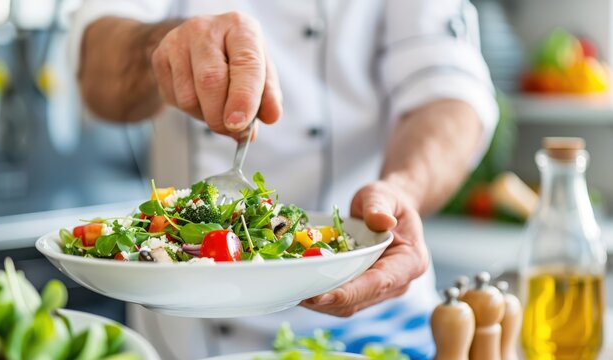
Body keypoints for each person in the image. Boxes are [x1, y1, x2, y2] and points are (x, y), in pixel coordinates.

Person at [68, 0, 498, 358]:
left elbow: (450, 91)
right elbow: (96, 62)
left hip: (375, 320)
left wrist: (403, 188)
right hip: (190, 331)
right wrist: (163, 48)